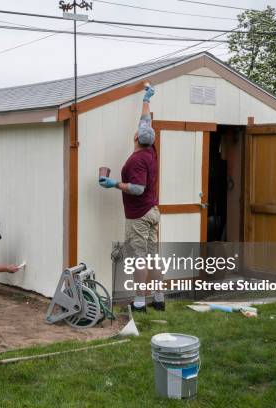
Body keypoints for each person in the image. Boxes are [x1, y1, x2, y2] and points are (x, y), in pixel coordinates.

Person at [98, 82, 164, 312]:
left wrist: (114, 184)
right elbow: (146, 121)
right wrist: (147, 99)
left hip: (139, 214)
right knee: (153, 257)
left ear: (136, 137)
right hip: (153, 211)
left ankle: (138, 302)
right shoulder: (151, 149)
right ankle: (158, 298)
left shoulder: (138, 160)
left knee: (140, 258)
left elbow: (137, 188)